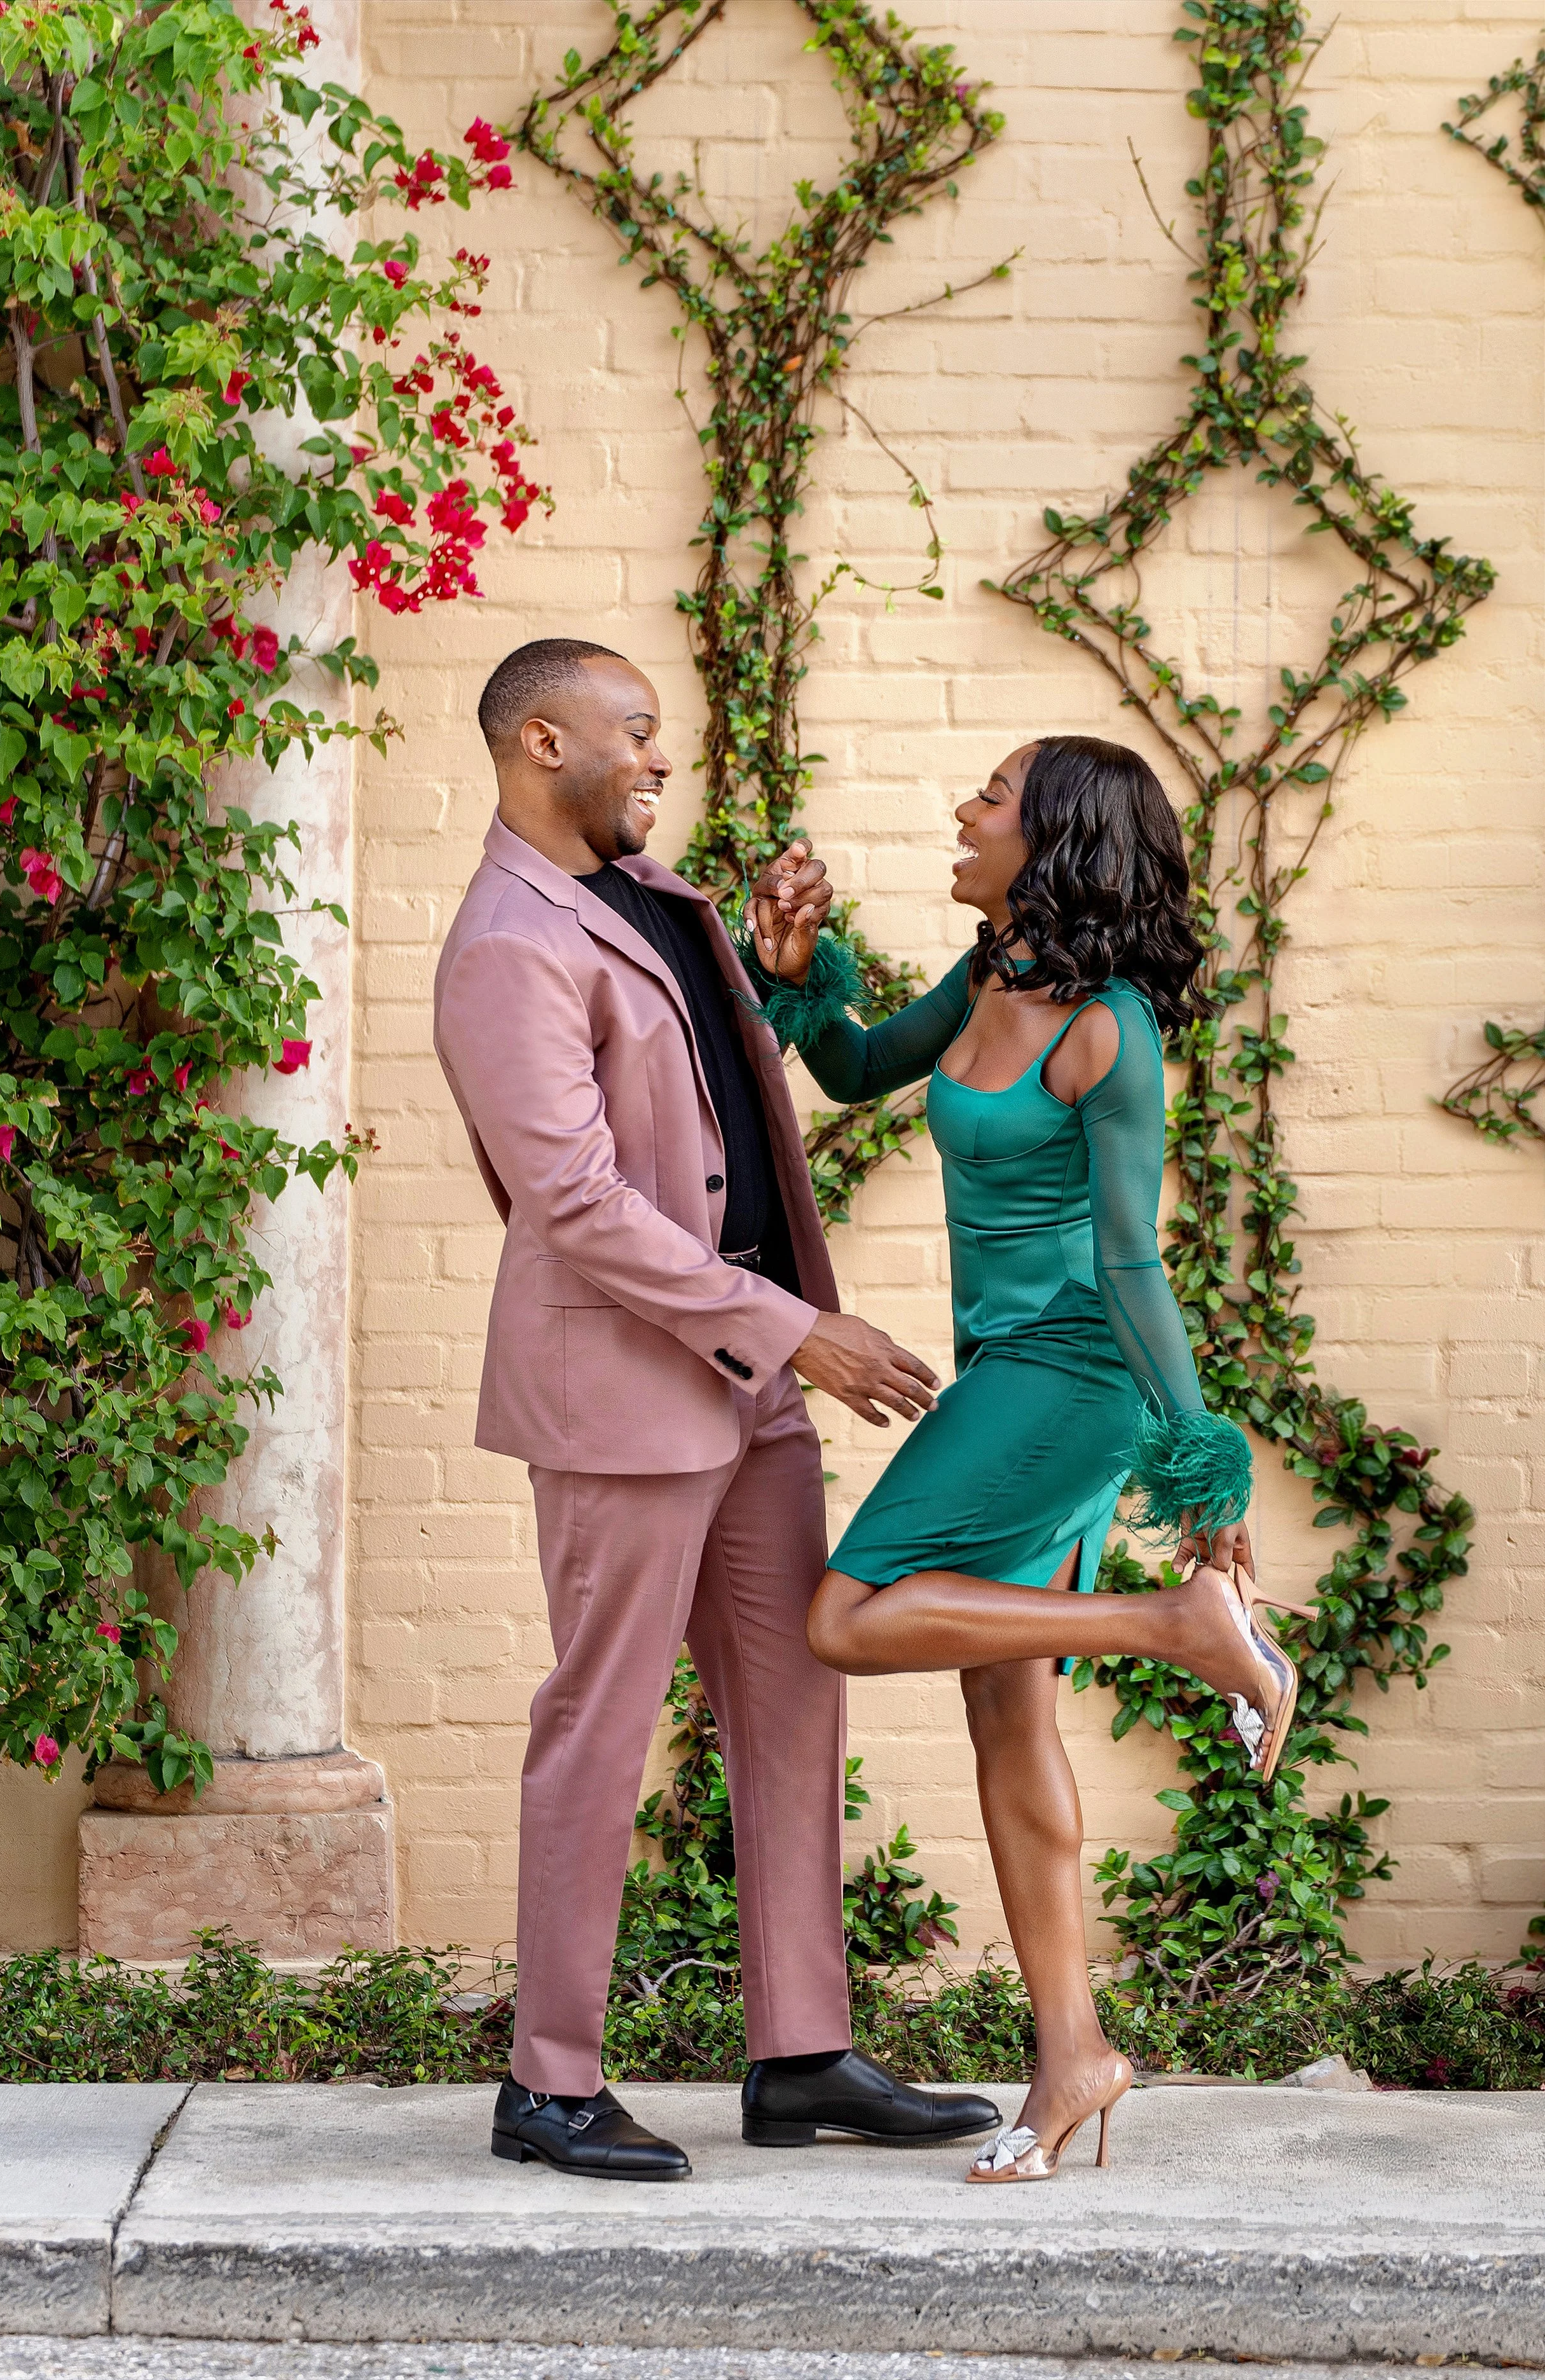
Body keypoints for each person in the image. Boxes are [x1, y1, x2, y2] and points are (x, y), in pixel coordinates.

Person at [433, 638, 999, 2180]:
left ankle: (801, 2052)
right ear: (543, 741)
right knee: (600, 1723)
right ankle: (546, 2081)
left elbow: (694, 1088)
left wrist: (776, 964)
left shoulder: (651, 901)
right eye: (637, 732)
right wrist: (799, 1330)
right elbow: (574, 1203)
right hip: (631, 1389)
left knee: (794, 1697)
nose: (661, 757)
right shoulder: (505, 942)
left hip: (743, 1380)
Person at [748, 734, 1310, 2186]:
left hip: (1074, 1379)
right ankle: (1074, 2054)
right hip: (1010, 1367)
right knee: (1006, 1714)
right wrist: (804, 967)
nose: (961, 808)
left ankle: (1175, 1627)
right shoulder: (996, 973)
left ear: (1052, 834)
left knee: (845, 1614)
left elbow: (1131, 1258)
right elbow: (859, 1067)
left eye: (990, 797)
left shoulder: (1111, 1026)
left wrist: (1198, 1470)